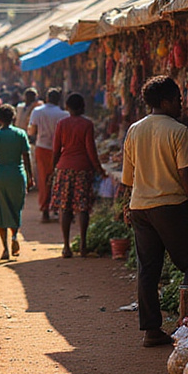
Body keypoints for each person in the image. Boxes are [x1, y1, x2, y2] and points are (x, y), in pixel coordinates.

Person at [121, 76, 188, 348]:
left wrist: (127, 205)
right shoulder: (178, 130)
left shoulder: (134, 130)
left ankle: (151, 330)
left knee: (148, 269)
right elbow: (186, 173)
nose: (181, 104)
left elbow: (129, 177)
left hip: (140, 208)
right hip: (170, 206)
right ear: (165, 101)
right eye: (177, 99)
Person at [50, 92, 106, 259]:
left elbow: (56, 149)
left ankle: (66, 246)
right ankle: (83, 245)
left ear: (67, 108)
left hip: (64, 168)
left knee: (65, 207)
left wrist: (53, 169)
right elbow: (91, 150)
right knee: (83, 208)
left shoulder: (62, 124)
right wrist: (98, 169)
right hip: (83, 169)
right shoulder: (87, 124)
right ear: (82, 107)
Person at [0, 104, 35, 261]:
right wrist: (30, 176)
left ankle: (5, 248)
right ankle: (14, 236)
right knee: (15, 208)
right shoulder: (21, 134)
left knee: (0, 211)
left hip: (1, 176)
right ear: (13, 117)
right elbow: (26, 157)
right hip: (17, 175)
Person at [27, 88, 67, 222]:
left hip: (42, 147)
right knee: (58, 179)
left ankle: (45, 210)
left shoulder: (37, 111)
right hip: (59, 150)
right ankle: (57, 208)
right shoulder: (64, 114)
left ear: (47, 98)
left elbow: (32, 131)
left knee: (44, 179)